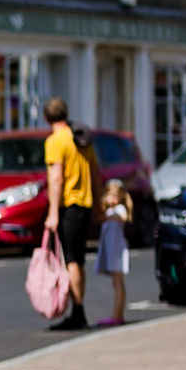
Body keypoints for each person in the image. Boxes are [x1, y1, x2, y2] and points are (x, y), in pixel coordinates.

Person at [42, 98, 97, 331]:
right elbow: (97, 171)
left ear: (46, 118)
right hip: (84, 203)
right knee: (78, 260)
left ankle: (77, 310)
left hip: (69, 205)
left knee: (71, 260)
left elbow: (56, 177)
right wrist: (99, 201)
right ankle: (78, 307)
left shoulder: (55, 141)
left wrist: (53, 212)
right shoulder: (81, 138)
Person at [94, 179, 131, 326]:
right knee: (116, 284)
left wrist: (109, 216)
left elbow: (124, 217)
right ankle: (117, 313)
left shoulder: (119, 210)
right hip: (111, 250)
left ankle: (117, 314)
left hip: (117, 251)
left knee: (118, 283)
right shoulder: (109, 211)